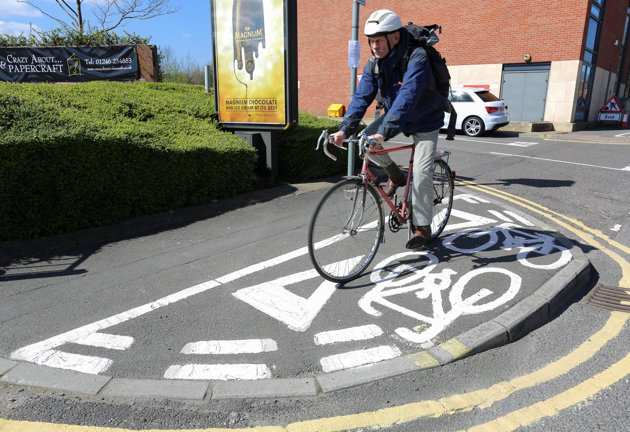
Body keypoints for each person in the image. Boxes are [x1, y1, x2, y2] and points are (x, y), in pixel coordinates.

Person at [329, 9, 445, 250]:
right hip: (396, 114)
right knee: (365, 140)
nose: (373, 46)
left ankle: (422, 228)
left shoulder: (417, 56)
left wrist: (385, 130)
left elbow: (408, 95)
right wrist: (344, 130)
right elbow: (361, 98)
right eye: (370, 41)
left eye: (378, 40)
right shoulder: (374, 63)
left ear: (394, 37)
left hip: (425, 118)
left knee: (422, 175)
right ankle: (395, 174)